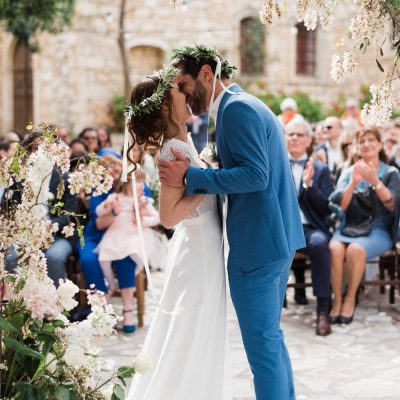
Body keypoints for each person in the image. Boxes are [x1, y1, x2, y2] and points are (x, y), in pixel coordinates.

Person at [158, 45, 305, 400]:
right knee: (270, 339)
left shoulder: (237, 110)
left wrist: (194, 176)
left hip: (258, 245)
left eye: (184, 84)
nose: (183, 94)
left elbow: (256, 176)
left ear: (207, 74)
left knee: (262, 347)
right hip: (274, 237)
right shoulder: (244, 104)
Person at [125, 65, 231, 400]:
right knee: (190, 328)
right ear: (166, 106)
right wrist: (208, 184)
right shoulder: (173, 150)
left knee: (199, 329)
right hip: (195, 251)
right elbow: (168, 217)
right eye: (179, 93)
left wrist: (208, 178)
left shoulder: (183, 142)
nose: (187, 96)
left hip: (204, 246)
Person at [329, 127, 400, 324]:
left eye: (371, 140)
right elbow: (340, 206)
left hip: (378, 228)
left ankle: (351, 299)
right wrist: (353, 183)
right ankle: (337, 300)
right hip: (349, 225)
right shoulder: (349, 171)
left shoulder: (391, 172)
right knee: (334, 248)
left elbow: (392, 203)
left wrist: (374, 181)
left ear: (379, 145)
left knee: (355, 250)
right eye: (362, 141)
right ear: (357, 147)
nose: (367, 144)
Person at [77, 148, 139, 332]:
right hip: (96, 235)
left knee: (126, 254)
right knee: (88, 259)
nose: (111, 170)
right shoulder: (99, 188)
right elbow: (99, 224)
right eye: (106, 166)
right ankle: (101, 308)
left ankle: (128, 310)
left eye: (114, 165)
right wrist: (114, 211)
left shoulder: (132, 184)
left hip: (123, 234)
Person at [285, 120, 334, 336]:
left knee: (321, 244)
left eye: (299, 134)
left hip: (311, 228)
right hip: (283, 227)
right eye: (290, 134)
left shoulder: (321, 170)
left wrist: (308, 185)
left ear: (308, 140)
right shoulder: (276, 166)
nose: (294, 138)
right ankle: (273, 304)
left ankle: (323, 309)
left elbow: (326, 208)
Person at [95, 169, 164, 296]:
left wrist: (143, 221)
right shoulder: (115, 197)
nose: (141, 184)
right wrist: (107, 206)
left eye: (142, 181)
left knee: (133, 250)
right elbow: (98, 211)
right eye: (137, 181)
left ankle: (137, 271)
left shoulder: (142, 199)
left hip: (135, 232)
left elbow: (157, 217)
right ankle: (111, 285)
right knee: (103, 258)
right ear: (126, 182)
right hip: (117, 231)